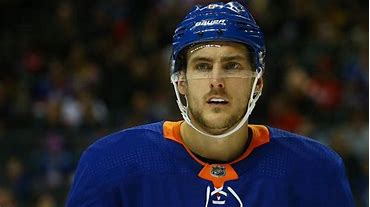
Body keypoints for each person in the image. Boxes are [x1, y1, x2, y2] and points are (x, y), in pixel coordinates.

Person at [66, 1, 355, 206]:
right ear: (180, 80)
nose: (217, 80)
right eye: (203, 67)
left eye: (232, 66)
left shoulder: (315, 169)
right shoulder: (109, 162)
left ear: (259, 82)